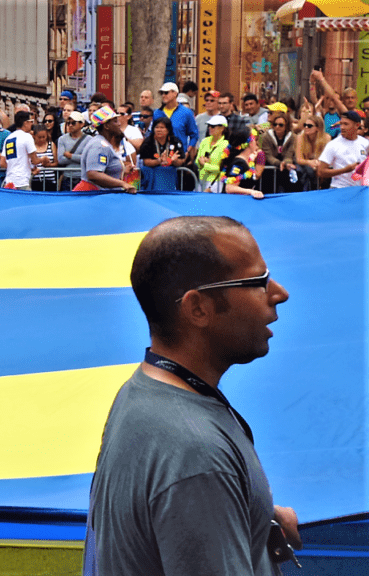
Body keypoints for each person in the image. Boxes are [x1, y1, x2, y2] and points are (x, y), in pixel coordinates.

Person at [84, 215, 299, 576]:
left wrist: (259, 512)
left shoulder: (142, 394)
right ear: (198, 308)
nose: (279, 293)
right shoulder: (196, 457)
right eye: (258, 282)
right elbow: (192, 478)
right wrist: (211, 492)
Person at [76, 106, 135, 193]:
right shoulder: (99, 145)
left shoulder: (104, 143)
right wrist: (122, 184)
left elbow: (106, 170)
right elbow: (93, 174)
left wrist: (123, 171)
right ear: (106, 126)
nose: (119, 124)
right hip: (93, 195)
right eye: (115, 121)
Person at [318, 110, 369, 189]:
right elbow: (321, 171)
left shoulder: (365, 144)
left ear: (357, 125)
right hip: (339, 189)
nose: (342, 127)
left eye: (346, 124)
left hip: (359, 190)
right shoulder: (333, 145)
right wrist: (344, 170)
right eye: (341, 124)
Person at [209, 129, 264, 199]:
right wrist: (251, 192)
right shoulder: (239, 163)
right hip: (234, 203)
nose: (256, 142)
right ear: (248, 143)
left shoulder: (247, 160)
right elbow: (229, 188)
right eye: (254, 139)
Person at [138, 117, 185, 191]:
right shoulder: (148, 142)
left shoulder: (175, 142)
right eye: (157, 127)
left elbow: (181, 160)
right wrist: (159, 161)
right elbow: (146, 162)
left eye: (162, 127)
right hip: (152, 176)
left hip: (170, 177)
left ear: (168, 130)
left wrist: (173, 161)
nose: (159, 130)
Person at [260, 111, 297, 193]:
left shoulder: (293, 137)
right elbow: (268, 156)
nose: (277, 127)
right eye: (275, 124)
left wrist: (286, 163)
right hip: (269, 168)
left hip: (285, 168)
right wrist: (279, 164)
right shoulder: (265, 137)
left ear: (286, 126)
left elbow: (289, 154)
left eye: (281, 125)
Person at [293, 114, 330, 190]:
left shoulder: (326, 138)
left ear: (317, 128)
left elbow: (327, 157)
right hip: (304, 165)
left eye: (309, 126)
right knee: (308, 170)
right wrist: (309, 162)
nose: (306, 127)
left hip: (320, 164)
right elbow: (299, 159)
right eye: (305, 125)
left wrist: (317, 163)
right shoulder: (300, 138)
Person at [56, 111, 90, 190]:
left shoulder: (89, 139)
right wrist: (79, 157)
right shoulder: (62, 139)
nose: (70, 125)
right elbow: (61, 159)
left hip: (83, 177)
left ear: (81, 124)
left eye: (73, 123)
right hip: (67, 177)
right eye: (68, 123)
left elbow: (87, 159)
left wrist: (70, 156)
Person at [196, 115, 230, 192]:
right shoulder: (205, 141)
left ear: (222, 128)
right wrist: (201, 163)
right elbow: (197, 161)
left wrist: (205, 165)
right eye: (209, 126)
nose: (210, 128)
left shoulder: (226, 144)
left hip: (215, 183)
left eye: (213, 126)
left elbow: (221, 168)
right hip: (201, 180)